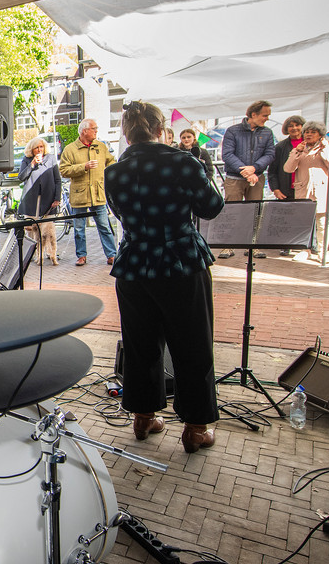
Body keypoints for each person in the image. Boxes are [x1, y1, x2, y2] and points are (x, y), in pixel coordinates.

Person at [106, 101, 224, 454]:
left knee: (140, 345)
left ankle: (143, 419)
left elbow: (120, 213)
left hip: (134, 265)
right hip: (180, 263)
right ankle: (195, 428)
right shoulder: (183, 163)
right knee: (193, 346)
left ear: (126, 133)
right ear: (161, 130)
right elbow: (212, 207)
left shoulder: (113, 172)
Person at [217, 100, 276, 258]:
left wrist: (254, 168)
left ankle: (253, 246)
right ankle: (228, 246)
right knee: (232, 211)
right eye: (265, 115)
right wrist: (246, 171)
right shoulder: (232, 131)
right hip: (234, 178)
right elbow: (227, 154)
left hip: (257, 178)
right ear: (253, 114)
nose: (267, 119)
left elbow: (270, 154)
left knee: (256, 211)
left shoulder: (267, 132)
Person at [58, 118, 118, 266]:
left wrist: (107, 173)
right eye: (94, 128)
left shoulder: (101, 146)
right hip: (80, 196)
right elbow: (63, 170)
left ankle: (112, 255)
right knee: (79, 228)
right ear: (85, 131)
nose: (96, 131)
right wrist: (83, 167)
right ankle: (81, 256)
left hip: (98, 194)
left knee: (104, 226)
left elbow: (112, 162)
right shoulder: (70, 149)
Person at [282, 122, 329, 260]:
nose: (308, 135)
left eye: (313, 132)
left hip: (322, 190)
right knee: (304, 222)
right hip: (304, 190)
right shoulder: (299, 149)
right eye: (306, 132)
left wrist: (325, 149)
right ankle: (304, 250)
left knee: (322, 223)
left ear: (320, 134)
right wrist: (297, 151)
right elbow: (288, 168)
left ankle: (322, 252)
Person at [18, 134, 63, 265]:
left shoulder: (51, 158)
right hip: (31, 200)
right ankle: (32, 254)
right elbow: (21, 177)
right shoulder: (26, 160)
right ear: (31, 150)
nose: (39, 150)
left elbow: (57, 180)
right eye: (36, 148)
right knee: (32, 229)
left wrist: (57, 198)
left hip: (48, 199)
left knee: (47, 231)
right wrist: (32, 164)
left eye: (41, 147)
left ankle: (50, 253)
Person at [267, 115, 306, 255]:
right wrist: (275, 189)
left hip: (305, 188)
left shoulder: (310, 144)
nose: (294, 128)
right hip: (286, 188)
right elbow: (272, 171)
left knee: (306, 217)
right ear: (286, 129)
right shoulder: (280, 147)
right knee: (286, 218)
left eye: (297, 125)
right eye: (291, 126)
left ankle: (307, 245)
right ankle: (286, 244)